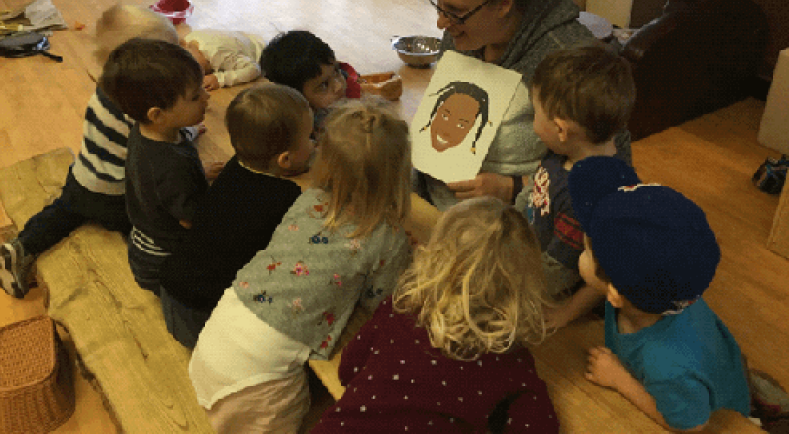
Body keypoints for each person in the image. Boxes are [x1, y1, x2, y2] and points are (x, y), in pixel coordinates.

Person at [189, 98, 413, 434]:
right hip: (255, 379)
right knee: (297, 413)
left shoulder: (307, 199)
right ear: (398, 176)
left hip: (216, 338)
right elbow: (379, 302)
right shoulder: (388, 237)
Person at [417, 0, 630, 211]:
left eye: (455, 11)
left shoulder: (564, 53)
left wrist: (513, 187)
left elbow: (612, 168)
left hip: (511, 219)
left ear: (503, 4)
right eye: (439, 4)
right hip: (436, 199)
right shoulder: (462, 29)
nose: (441, 23)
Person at [311, 197, 559, 434]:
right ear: (522, 291)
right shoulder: (508, 360)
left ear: (435, 257)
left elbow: (348, 368)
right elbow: (538, 427)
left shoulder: (401, 308)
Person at [0, 5, 180, 299]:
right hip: (119, 195)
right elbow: (163, 146)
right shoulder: (143, 103)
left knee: (62, 212)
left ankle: (22, 246)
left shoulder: (106, 85)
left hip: (83, 178)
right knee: (154, 224)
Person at [569, 156, 751, 432]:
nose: (583, 252)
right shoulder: (671, 285)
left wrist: (620, 380)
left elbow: (691, 425)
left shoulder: (667, 366)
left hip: (717, 413)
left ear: (615, 294)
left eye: (587, 250)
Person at [158, 83, 313, 349]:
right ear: (285, 160)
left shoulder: (235, 166)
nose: (315, 143)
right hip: (205, 315)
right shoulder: (284, 197)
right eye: (310, 137)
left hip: (172, 290)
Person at [523, 44, 635, 330]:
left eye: (535, 113)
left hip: (555, 282)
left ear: (561, 129)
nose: (533, 122)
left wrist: (565, 313)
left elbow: (600, 276)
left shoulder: (590, 198)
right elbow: (536, 190)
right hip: (535, 249)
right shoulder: (563, 151)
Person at [98, 38, 221, 294]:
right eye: (195, 96)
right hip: (163, 264)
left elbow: (163, 183)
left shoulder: (146, 131)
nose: (207, 96)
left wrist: (197, 168)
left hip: (148, 240)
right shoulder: (171, 168)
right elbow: (192, 220)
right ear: (157, 115)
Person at [259, 30, 360, 132]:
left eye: (336, 71)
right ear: (299, 98)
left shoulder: (346, 86)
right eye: (323, 85)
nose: (338, 86)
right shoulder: (301, 130)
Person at [180, 28, 267, 91]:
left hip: (260, 51)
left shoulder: (217, 54)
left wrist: (220, 79)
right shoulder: (189, 39)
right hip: (243, 37)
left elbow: (254, 69)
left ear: (184, 44)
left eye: (191, 64)